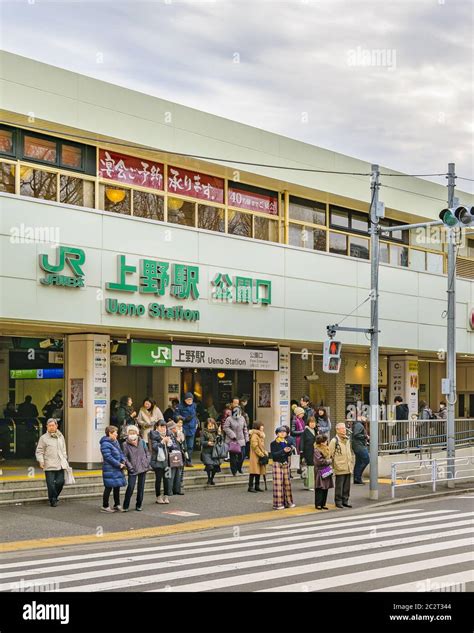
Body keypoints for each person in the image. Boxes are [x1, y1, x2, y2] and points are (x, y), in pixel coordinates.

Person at [35, 418, 69, 507]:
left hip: (60, 464)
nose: (51, 427)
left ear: (56, 426)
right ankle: (53, 500)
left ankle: (54, 496)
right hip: (49, 464)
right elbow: (39, 451)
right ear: (46, 427)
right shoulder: (43, 438)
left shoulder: (60, 436)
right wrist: (41, 461)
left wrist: (65, 458)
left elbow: (64, 449)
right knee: (50, 484)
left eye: (53, 425)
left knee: (60, 482)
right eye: (49, 426)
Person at [122, 425, 150, 511]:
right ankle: (126, 506)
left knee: (141, 488)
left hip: (142, 467)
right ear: (127, 434)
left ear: (137, 433)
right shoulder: (125, 444)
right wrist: (130, 467)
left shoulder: (142, 442)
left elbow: (147, 453)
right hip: (132, 469)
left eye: (134, 433)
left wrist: (146, 462)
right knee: (131, 486)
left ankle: (139, 505)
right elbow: (124, 457)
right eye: (130, 433)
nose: (132, 434)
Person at [99, 425, 126, 513]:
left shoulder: (115, 441)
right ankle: (105, 506)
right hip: (109, 469)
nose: (117, 434)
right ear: (110, 433)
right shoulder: (105, 444)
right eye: (115, 433)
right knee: (109, 487)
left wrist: (123, 460)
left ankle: (117, 504)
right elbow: (108, 457)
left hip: (117, 468)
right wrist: (118, 464)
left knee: (117, 486)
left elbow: (120, 452)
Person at [329, 422, 355, 508]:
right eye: (342, 428)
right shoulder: (334, 441)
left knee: (347, 486)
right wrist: (331, 467)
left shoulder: (347, 439)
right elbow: (330, 454)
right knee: (339, 486)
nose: (344, 430)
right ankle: (338, 501)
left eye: (344, 428)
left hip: (348, 466)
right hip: (339, 466)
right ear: (337, 430)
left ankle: (345, 500)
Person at [270, 426, 295, 510]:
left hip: (285, 464)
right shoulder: (273, 443)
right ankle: (278, 504)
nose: (282, 433)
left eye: (284, 432)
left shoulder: (286, 442)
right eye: (280, 432)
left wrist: (289, 451)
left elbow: (287, 454)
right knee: (278, 485)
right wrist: (283, 451)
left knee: (287, 484)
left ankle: (288, 502)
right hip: (277, 464)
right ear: (277, 434)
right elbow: (273, 455)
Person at [149, 420, 173, 503]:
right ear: (157, 427)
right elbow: (154, 447)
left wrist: (170, 442)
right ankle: (158, 497)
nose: (163, 428)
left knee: (167, 479)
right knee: (158, 479)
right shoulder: (154, 435)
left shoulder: (169, 434)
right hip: (158, 461)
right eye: (161, 426)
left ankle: (166, 496)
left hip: (168, 461)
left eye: (164, 427)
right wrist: (163, 442)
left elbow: (174, 446)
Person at [222, 405, 249, 476]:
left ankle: (239, 467)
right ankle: (234, 470)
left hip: (241, 440)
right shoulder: (229, 419)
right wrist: (232, 435)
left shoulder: (242, 418)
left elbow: (245, 428)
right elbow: (225, 428)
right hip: (232, 441)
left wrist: (247, 439)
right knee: (233, 457)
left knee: (242, 456)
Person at [176, 393, 198, 466]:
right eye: (188, 399)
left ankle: (189, 461)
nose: (189, 401)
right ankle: (182, 460)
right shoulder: (179, 406)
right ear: (184, 400)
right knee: (182, 446)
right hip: (183, 428)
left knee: (190, 446)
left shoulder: (194, 405)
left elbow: (195, 415)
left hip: (192, 428)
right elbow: (175, 416)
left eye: (191, 399)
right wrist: (184, 419)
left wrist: (196, 423)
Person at [314, 434, 333, 510]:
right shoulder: (316, 450)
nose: (326, 442)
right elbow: (319, 461)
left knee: (326, 487)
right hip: (319, 470)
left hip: (326, 469)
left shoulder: (327, 448)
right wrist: (329, 461)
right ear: (321, 442)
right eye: (325, 441)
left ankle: (323, 504)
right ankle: (318, 504)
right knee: (319, 487)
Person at [200, 418, 222, 485]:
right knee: (210, 466)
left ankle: (211, 479)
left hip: (215, 452)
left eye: (212, 425)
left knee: (215, 467)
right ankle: (209, 478)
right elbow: (201, 442)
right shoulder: (203, 432)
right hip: (206, 452)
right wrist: (207, 443)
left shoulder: (216, 432)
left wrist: (219, 434)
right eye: (209, 426)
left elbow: (220, 441)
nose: (210, 427)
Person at [248, 422, 268, 492]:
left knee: (258, 471)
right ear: (257, 427)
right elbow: (255, 446)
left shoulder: (259, 435)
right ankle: (250, 487)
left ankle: (257, 486)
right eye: (261, 426)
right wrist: (261, 454)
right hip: (255, 455)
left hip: (259, 455)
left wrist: (264, 452)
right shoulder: (255, 435)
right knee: (254, 471)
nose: (263, 427)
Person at [168, 421, 186, 495]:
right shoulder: (169, 435)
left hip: (178, 454)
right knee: (172, 474)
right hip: (172, 455)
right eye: (175, 427)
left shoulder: (176, 435)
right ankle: (170, 490)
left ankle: (177, 489)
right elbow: (171, 445)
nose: (176, 428)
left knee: (178, 473)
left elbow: (182, 444)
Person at [300, 416, 317, 490]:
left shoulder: (316, 430)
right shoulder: (305, 431)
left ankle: (312, 483)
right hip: (308, 450)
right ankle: (309, 484)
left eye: (314, 422)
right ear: (308, 423)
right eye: (311, 423)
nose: (313, 424)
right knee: (309, 466)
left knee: (313, 467)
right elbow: (302, 441)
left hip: (315, 451)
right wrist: (301, 450)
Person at [352, 416, 370, 485]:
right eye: (364, 417)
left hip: (357, 445)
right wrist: (365, 436)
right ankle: (357, 477)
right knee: (366, 460)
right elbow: (356, 435)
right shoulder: (359, 425)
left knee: (358, 462)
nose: (366, 418)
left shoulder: (357, 424)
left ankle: (357, 478)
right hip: (359, 445)